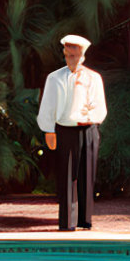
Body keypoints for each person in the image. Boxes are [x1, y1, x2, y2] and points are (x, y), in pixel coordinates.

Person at [36, 34, 107, 231]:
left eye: (75, 55)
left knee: (87, 174)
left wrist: (90, 116)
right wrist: (49, 130)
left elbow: (100, 107)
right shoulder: (54, 78)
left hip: (88, 130)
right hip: (64, 130)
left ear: (83, 56)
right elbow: (47, 106)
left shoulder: (94, 78)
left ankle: (85, 220)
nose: (71, 59)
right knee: (67, 176)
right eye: (68, 55)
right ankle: (67, 222)